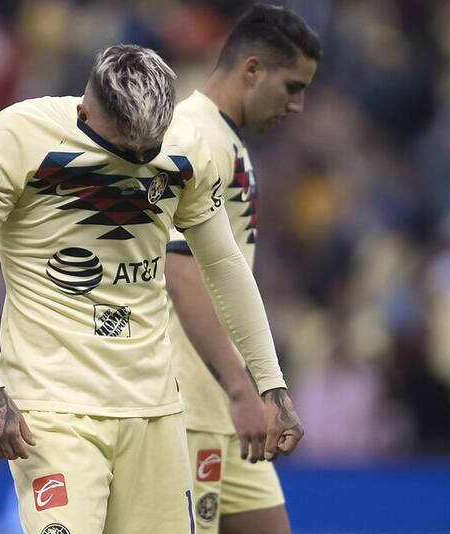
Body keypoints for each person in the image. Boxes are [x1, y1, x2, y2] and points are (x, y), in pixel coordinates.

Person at [0, 44, 302, 534]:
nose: (137, 160)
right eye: (123, 148)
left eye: (148, 149)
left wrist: (270, 382)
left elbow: (224, 264)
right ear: (86, 110)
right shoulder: (17, 136)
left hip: (155, 408)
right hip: (53, 408)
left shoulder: (185, 146)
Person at [165, 5, 320, 533]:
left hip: (228, 402)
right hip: (192, 401)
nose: (297, 106)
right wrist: (240, 388)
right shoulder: (193, 136)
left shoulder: (228, 139)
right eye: (291, 87)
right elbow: (179, 271)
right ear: (252, 69)